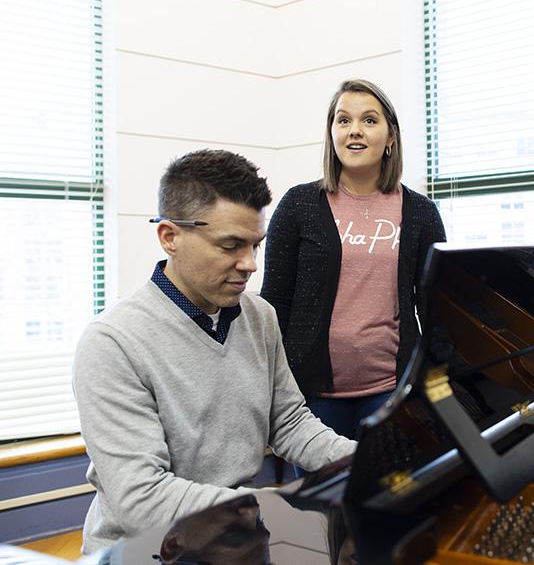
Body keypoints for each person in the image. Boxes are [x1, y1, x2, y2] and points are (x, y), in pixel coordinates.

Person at [72, 149, 355, 554]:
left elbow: (291, 423)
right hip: (145, 551)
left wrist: (365, 460)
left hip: (235, 539)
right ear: (170, 237)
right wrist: (269, 507)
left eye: (255, 245)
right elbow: (142, 500)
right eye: (230, 246)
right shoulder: (112, 342)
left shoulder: (260, 317)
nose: (250, 264)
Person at [261, 79, 446, 440]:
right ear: (331, 133)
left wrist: (435, 386)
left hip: (391, 390)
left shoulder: (421, 213)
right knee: (322, 496)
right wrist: (274, 385)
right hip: (311, 395)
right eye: (343, 120)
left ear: (391, 136)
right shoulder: (298, 205)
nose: (355, 131)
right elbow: (275, 302)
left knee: (384, 494)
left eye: (369, 120)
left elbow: (435, 309)